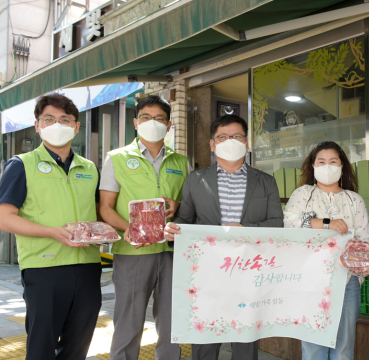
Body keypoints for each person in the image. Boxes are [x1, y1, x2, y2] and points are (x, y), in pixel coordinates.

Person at [164, 114, 284, 360]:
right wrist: (172, 230)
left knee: (245, 338)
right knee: (206, 337)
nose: (231, 141)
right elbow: (185, 220)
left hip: (250, 268)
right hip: (207, 270)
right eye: (223, 137)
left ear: (247, 142)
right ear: (212, 144)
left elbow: (276, 224)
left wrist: (244, 228)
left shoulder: (266, 182)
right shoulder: (196, 180)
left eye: (237, 136)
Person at [0, 94, 102, 359]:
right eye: (49, 119)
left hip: (88, 266)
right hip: (44, 269)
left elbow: (98, 213)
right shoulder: (21, 165)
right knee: (41, 347)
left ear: (76, 127)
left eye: (65, 120)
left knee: (78, 346)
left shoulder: (89, 168)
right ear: (37, 125)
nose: (58, 125)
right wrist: (51, 232)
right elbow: (4, 217)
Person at [99, 95, 189, 360]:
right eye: (147, 117)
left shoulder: (180, 162)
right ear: (136, 122)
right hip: (132, 251)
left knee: (173, 320)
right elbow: (105, 207)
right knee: (129, 319)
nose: (153, 122)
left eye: (160, 118)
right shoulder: (116, 158)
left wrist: (178, 204)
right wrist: (129, 229)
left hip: (172, 251)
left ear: (169, 124)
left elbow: (188, 206)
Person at [283, 141, 369, 360]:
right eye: (321, 162)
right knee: (314, 347)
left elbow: (364, 241)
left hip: (346, 282)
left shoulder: (354, 200)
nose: (327, 166)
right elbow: (289, 224)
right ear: (312, 166)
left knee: (343, 346)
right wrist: (326, 223)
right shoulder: (303, 194)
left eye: (333, 161)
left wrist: (356, 272)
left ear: (342, 166)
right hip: (311, 281)